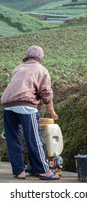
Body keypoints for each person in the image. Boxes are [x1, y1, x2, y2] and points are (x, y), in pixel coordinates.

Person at [1, 45, 60, 180]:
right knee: (34, 139)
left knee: (13, 139)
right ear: (40, 57)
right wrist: (52, 111)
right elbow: (45, 93)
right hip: (26, 106)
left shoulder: (18, 68)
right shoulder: (41, 69)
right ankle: (44, 171)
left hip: (8, 105)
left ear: (27, 55)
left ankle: (19, 171)